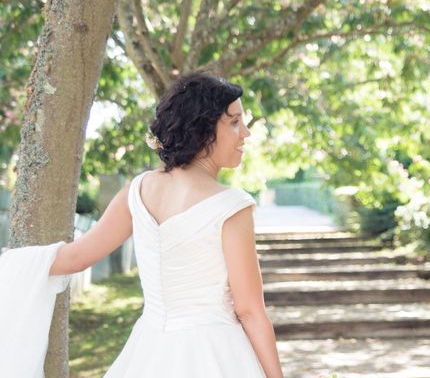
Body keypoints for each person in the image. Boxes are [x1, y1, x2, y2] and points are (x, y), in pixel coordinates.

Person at [0, 72, 283, 378]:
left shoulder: (137, 192)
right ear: (203, 128)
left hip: (148, 353)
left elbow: (74, 258)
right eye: (234, 122)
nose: (246, 133)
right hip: (215, 354)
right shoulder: (232, 206)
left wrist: (9, 262)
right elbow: (250, 311)